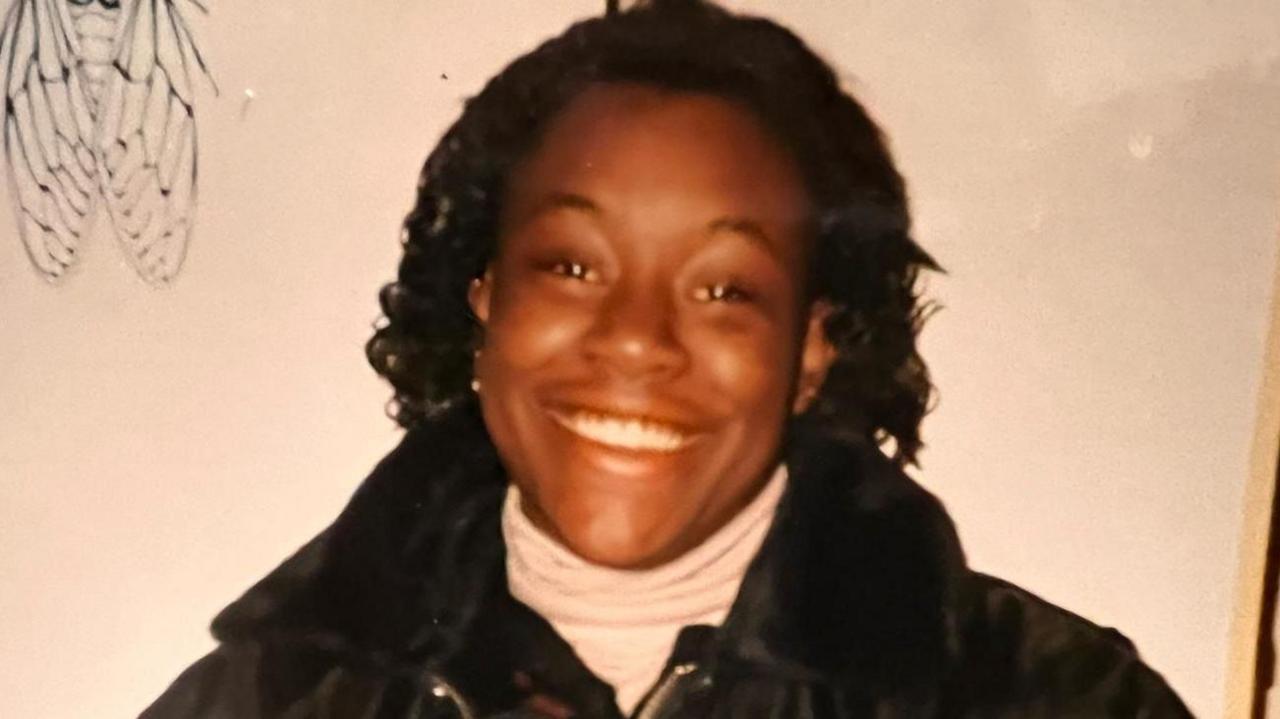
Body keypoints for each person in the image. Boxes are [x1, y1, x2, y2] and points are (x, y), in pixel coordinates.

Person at [142, 1, 1193, 716]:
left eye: (724, 288)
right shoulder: (268, 698)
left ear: (813, 346)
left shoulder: (1050, 697)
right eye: (570, 265)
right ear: (483, 301)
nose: (637, 338)